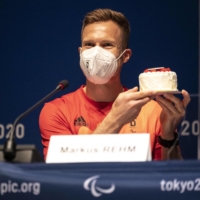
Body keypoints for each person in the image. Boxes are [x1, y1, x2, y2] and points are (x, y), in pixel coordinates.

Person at [39, 8, 190, 160]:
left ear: (125, 56)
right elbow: (64, 175)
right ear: (80, 52)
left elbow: (168, 180)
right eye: (89, 44)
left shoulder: (152, 111)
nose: (96, 53)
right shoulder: (57, 111)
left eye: (107, 45)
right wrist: (115, 118)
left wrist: (168, 135)